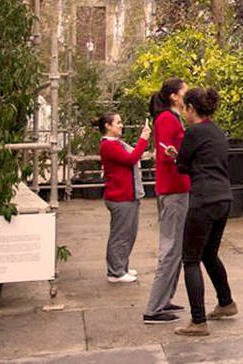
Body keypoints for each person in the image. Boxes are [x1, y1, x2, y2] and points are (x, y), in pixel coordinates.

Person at [172, 87, 237, 337]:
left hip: (203, 199)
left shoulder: (194, 132)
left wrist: (176, 157)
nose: (184, 113)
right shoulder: (217, 131)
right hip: (224, 198)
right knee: (210, 253)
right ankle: (226, 302)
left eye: (185, 109)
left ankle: (198, 321)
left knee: (190, 259)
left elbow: (182, 165)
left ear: (191, 108)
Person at [142, 78, 191, 324]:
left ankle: (165, 299)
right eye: (184, 91)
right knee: (171, 248)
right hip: (173, 190)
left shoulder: (171, 119)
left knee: (176, 247)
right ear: (174, 96)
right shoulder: (166, 120)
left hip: (176, 188)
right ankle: (154, 307)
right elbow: (167, 154)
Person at [98, 111, 150, 284]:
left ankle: (122, 266)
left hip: (128, 194)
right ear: (107, 125)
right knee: (120, 235)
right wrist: (143, 139)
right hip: (120, 196)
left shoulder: (117, 143)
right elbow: (132, 158)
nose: (121, 125)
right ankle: (115, 272)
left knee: (129, 233)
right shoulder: (108, 145)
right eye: (118, 122)